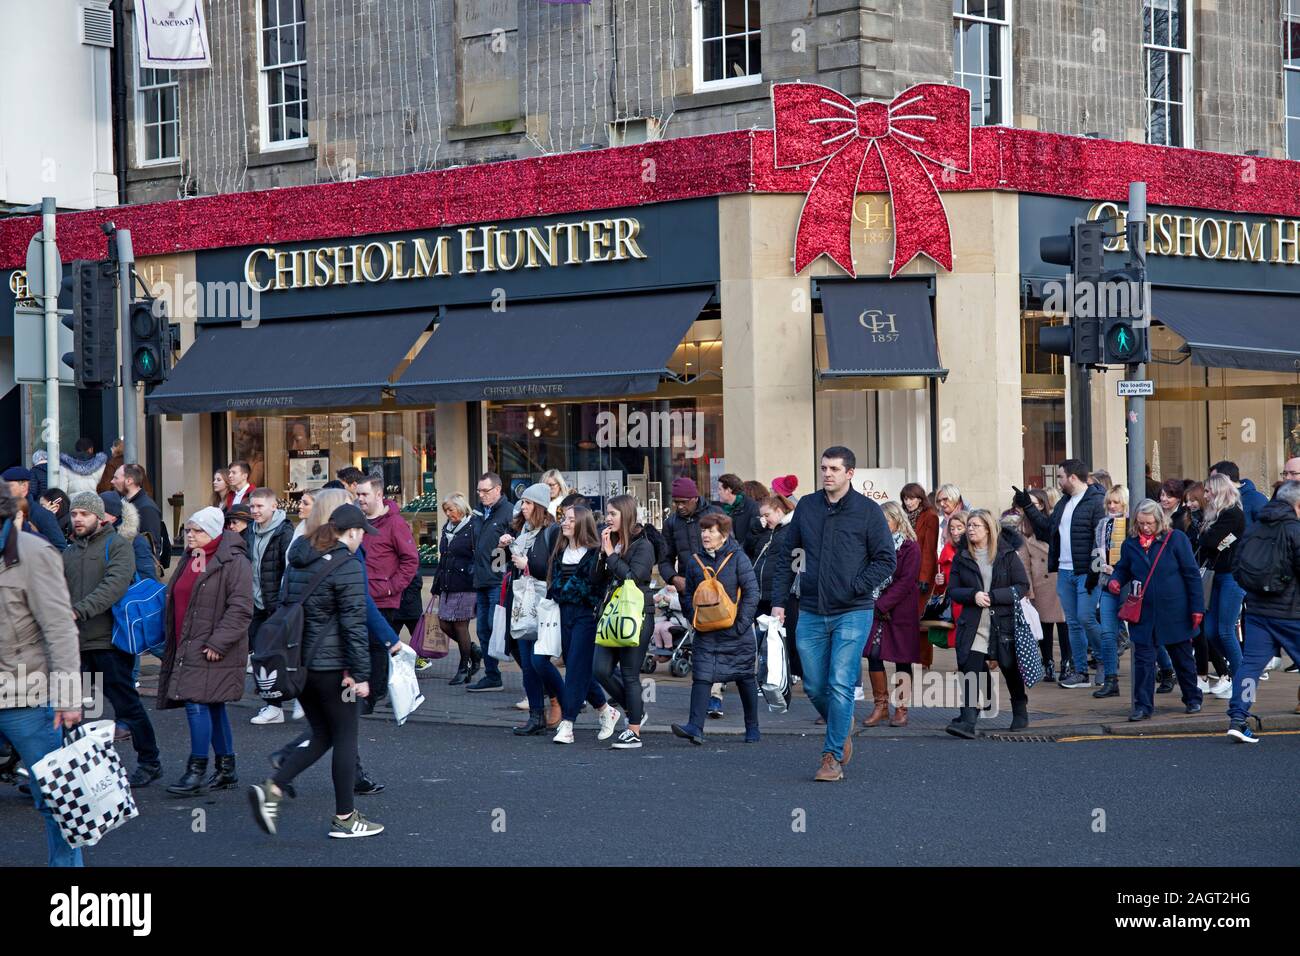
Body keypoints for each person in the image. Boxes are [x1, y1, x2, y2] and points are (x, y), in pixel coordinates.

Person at [249, 504, 385, 839]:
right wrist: (361, 674)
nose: (361, 541)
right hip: (335, 669)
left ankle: (274, 788)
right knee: (345, 738)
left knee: (323, 734)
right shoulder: (348, 565)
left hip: (298, 665)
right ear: (351, 532)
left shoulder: (299, 558)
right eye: (361, 534)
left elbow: (285, 603)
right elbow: (354, 624)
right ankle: (345, 817)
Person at [771, 447, 896, 782]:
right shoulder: (808, 507)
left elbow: (886, 560)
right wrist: (779, 601)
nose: (827, 474)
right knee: (813, 684)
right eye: (824, 468)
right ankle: (842, 727)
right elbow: (788, 556)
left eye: (835, 469)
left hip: (853, 611)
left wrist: (857, 586)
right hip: (810, 609)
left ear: (850, 473)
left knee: (840, 683)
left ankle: (832, 755)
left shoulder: (868, 512)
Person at [0, 488, 85, 866]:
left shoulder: (35, 554)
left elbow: (61, 629)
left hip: (25, 697)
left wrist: (68, 697)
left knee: (56, 800)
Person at [62, 492, 162, 786]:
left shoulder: (117, 545)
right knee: (67, 710)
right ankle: (67, 773)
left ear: (100, 517)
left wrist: (77, 612)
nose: (78, 519)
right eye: (75, 513)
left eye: (84, 514)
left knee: (127, 706)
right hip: (74, 645)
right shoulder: (69, 551)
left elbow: (114, 587)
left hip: (109, 643)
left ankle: (150, 760)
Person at [158, 507, 253, 795]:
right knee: (212, 705)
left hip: (213, 647)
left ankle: (196, 769)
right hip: (187, 643)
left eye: (197, 530)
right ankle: (226, 768)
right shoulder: (190, 557)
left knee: (195, 702)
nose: (190, 535)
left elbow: (241, 607)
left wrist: (218, 642)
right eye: (188, 530)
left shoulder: (234, 561)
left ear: (213, 532)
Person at [1108, 499, 1205, 722]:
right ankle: (1143, 706)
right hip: (1143, 613)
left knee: (1182, 659)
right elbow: (1123, 568)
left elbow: (1191, 574)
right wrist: (1115, 580)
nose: (1145, 528)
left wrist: (1197, 607)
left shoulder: (1176, 539)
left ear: (1159, 521)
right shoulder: (1130, 544)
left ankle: (1192, 698)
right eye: (1141, 523)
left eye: (1149, 523)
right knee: (1143, 662)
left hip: (1175, 610)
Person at [1015, 459, 1106, 690]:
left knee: (1085, 617)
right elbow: (1046, 530)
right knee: (1074, 623)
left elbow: (1101, 540)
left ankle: (1105, 658)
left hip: (1086, 571)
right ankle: (1080, 671)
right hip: (1064, 570)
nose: (1058, 482)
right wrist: (1028, 506)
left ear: (1073, 478)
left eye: (1060, 477)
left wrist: (1095, 571)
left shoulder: (1096, 502)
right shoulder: (1065, 502)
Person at [671, 512, 762, 745]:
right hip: (705, 631)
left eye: (711, 531)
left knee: (744, 677)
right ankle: (695, 727)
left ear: (723, 535)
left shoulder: (738, 558)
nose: (706, 535)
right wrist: (693, 619)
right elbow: (687, 593)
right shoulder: (694, 561)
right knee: (701, 677)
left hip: (736, 631)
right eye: (703, 530)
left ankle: (752, 728)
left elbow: (752, 592)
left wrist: (742, 624)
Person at [945, 509, 1032, 737]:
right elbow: (953, 590)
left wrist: (994, 597)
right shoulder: (962, 556)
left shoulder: (1006, 554)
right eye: (969, 525)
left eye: (976, 525)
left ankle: (1020, 709)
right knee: (970, 670)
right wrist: (973, 595)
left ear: (988, 529)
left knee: (1010, 668)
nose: (970, 529)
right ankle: (968, 720)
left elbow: (1022, 586)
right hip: (974, 624)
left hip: (1002, 623)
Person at [1225, 480, 1300, 742]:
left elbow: (1237, 566)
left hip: (1257, 611)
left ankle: (1238, 718)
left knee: (1251, 666)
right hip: (1291, 612)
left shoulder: (1255, 526)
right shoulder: (1295, 529)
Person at [549, 504, 622, 746]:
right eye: (564, 519)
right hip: (564, 613)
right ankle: (605, 710)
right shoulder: (560, 551)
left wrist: (564, 591)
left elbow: (593, 587)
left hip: (587, 616)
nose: (565, 523)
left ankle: (568, 723)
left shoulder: (594, 552)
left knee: (575, 670)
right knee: (578, 666)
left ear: (582, 522)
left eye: (570, 519)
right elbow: (554, 584)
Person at [593, 494, 657, 749]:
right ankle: (635, 710)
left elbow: (633, 578)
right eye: (607, 514)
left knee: (630, 674)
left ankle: (634, 731)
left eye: (612, 514)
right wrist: (601, 555)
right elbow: (595, 580)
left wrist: (610, 555)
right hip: (611, 616)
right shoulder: (612, 542)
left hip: (636, 614)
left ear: (626, 515)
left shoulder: (644, 545)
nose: (607, 519)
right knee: (600, 669)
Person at [658, 476, 725, 714]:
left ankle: (714, 693)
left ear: (695, 498)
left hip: (717, 590)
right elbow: (664, 559)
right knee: (701, 642)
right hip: (689, 591)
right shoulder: (672, 522)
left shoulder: (715, 514)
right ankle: (707, 693)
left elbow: (730, 550)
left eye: (684, 501)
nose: (679, 505)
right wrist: (674, 579)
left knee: (716, 642)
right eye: (676, 501)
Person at [503, 484, 564, 735]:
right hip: (524, 604)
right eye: (523, 503)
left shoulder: (552, 532)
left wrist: (528, 563)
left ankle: (565, 700)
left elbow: (552, 570)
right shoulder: (523, 532)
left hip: (544, 604)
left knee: (540, 662)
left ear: (538, 506)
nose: (523, 507)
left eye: (527, 503)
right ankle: (536, 716)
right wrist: (509, 547)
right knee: (527, 663)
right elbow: (515, 568)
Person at [861, 501, 922, 729]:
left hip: (900, 610)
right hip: (876, 607)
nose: (881, 525)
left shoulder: (910, 547)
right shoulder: (874, 546)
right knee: (873, 655)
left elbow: (907, 582)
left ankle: (902, 709)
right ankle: (881, 706)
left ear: (898, 520)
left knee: (902, 660)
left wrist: (882, 605)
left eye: (885, 520)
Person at [248, 488, 300, 725]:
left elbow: (289, 570)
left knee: (283, 655)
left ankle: (294, 699)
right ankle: (273, 706)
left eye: (260, 506)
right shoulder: (250, 531)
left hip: (277, 605)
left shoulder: (284, 532)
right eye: (252, 506)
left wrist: (283, 603)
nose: (255, 511)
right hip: (256, 604)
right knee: (261, 656)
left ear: (273, 507)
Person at [1196, 474, 1246, 699]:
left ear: (1219, 492)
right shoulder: (1215, 516)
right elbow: (1207, 544)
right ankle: (1240, 673)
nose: (1205, 496)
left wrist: (1206, 535)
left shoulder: (1233, 514)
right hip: (1215, 576)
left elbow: (1208, 542)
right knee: (1211, 631)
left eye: (1208, 491)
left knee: (1225, 631)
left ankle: (1243, 683)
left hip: (1232, 577)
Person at [467, 472, 515, 692]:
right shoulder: (478, 513)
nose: (481, 495)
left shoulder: (510, 512)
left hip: (498, 580)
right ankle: (492, 675)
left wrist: (502, 569)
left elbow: (515, 543)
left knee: (500, 630)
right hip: (482, 579)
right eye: (479, 491)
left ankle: (536, 679)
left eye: (485, 491)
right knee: (484, 631)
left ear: (498, 489)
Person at [750, 492, 801, 680]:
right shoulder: (772, 531)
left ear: (779, 511)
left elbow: (790, 564)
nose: (764, 520)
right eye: (761, 517)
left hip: (779, 593)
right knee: (766, 638)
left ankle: (783, 675)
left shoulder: (788, 530)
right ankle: (774, 676)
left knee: (780, 639)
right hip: (764, 592)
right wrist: (756, 530)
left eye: (767, 515)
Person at [434, 494, 482, 685]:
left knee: (460, 625)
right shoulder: (448, 527)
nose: (448, 513)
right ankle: (473, 651)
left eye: (451, 510)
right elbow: (443, 557)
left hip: (465, 583)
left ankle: (464, 666)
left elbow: (478, 554)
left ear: (461, 509)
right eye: (446, 510)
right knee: (444, 624)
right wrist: (437, 585)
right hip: (447, 582)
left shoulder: (472, 527)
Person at [1019, 488, 1065, 682]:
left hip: (1059, 579)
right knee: (1044, 626)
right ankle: (1048, 662)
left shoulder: (1053, 524)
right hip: (1040, 583)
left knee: (1065, 625)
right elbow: (1024, 564)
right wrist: (1028, 589)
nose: (1034, 508)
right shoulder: (1022, 530)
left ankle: (1068, 663)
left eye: (1037, 504)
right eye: (1030, 504)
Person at [1089, 484, 1129, 699]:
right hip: (1106, 581)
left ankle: (1167, 670)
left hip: (1128, 583)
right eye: (1110, 502)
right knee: (1107, 633)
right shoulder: (1102, 524)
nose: (1112, 506)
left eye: (1117, 502)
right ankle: (1111, 679)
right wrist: (1099, 569)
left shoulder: (1132, 524)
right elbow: (1096, 551)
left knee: (1144, 632)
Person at [901, 483, 939, 666]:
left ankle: (924, 659)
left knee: (921, 618)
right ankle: (908, 655)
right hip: (905, 572)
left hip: (923, 573)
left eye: (912, 498)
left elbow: (929, 550)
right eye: (906, 498)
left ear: (920, 498)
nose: (909, 502)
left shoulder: (930, 516)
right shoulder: (902, 516)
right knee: (906, 617)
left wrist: (924, 577)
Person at [113, 463, 166, 566]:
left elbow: (152, 546)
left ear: (129, 481)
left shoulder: (146, 508)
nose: (112, 481)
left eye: (116, 478)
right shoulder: (124, 502)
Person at [4, 466, 68, 551]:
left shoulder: (42, 515)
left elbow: (60, 549)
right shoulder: (4, 512)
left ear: (24, 486)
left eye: (7, 486)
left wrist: (35, 538)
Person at [99, 492, 159, 582]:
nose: (95, 515)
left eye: (100, 512)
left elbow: (147, 581)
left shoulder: (136, 541)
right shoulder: (92, 536)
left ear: (113, 516)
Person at [1210, 460, 1268, 527]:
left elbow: (1265, 529)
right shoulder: (1217, 500)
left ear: (1226, 478)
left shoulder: (1256, 499)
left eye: (1214, 480)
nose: (1211, 485)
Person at [717, 473, 760, 553]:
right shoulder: (720, 509)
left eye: (720, 489)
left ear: (728, 490)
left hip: (745, 557)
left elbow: (754, 535)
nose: (718, 492)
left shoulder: (752, 507)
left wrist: (739, 552)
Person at [934, 484, 968, 559]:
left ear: (955, 498)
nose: (942, 504)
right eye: (939, 501)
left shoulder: (969, 516)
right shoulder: (938, 519)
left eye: (945, 499)